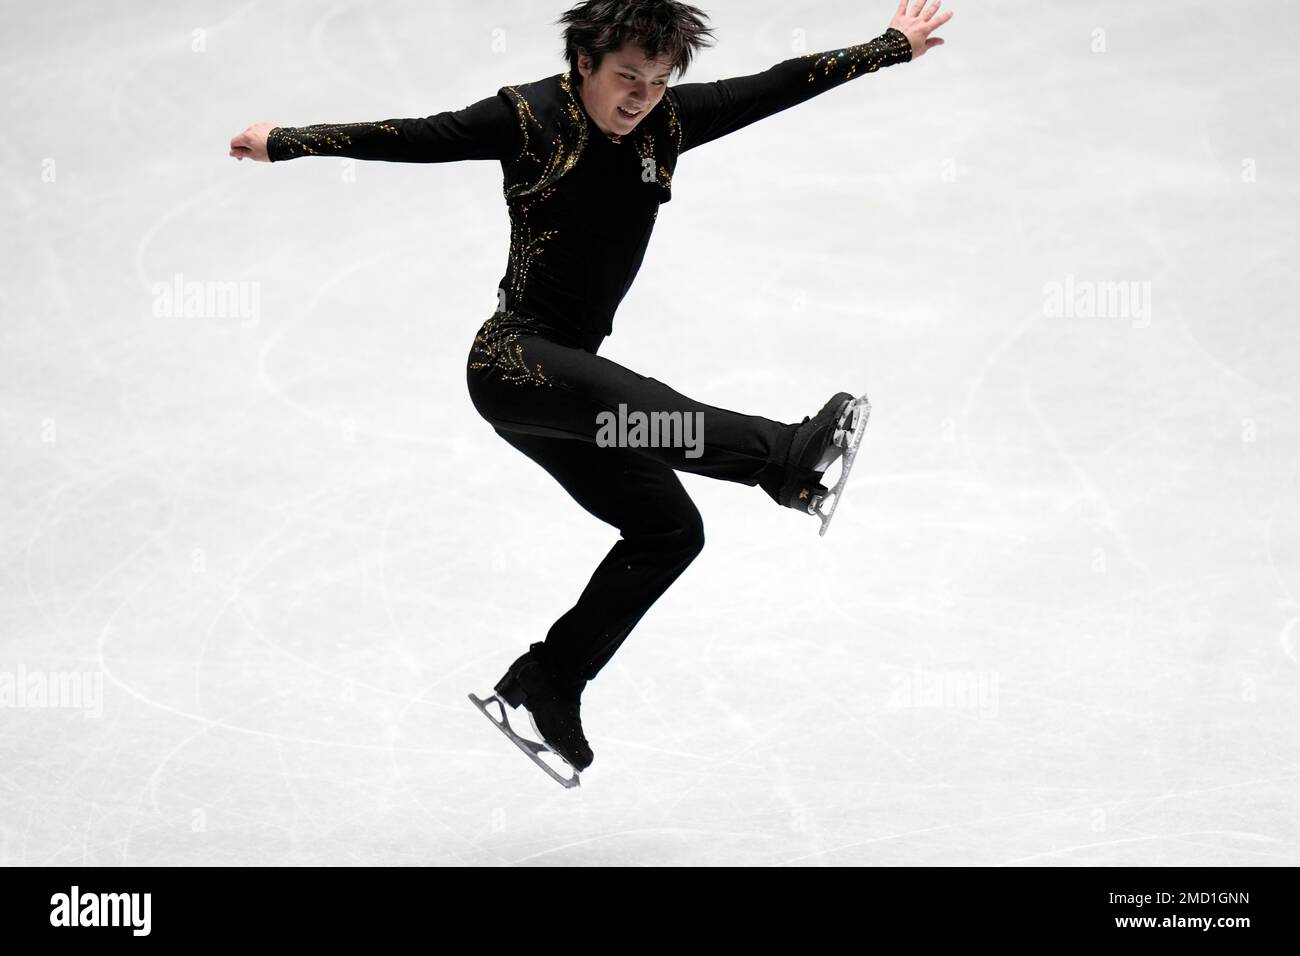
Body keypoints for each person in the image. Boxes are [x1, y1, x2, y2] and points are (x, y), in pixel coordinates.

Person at [230, 0, 953, 782]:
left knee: (668, 528)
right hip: (515, 364)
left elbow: (778, 83)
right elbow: (418, 133)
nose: (641, 95)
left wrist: (889, 48)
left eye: (657, 78)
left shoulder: (668, 124)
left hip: (566, 405)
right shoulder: (530, 118)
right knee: (647, 406)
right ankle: (784, 457)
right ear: (585, 63)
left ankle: (549, 679)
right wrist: (288, 143)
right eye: (627, 76)